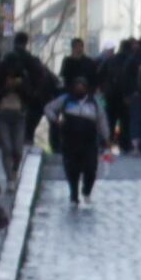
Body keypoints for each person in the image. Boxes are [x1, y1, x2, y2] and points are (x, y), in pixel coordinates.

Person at [49, 74, 108, 206]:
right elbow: (49, 109)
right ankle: (74, 194)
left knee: (91, 168)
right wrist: (56, 120)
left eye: (82, 87)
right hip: (70, 140)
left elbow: (101, 120)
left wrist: (106, 137)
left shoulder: (94, 102)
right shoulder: (65, 100)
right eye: (77, 86)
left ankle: (86, 190)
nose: (80, 89)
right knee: (72, 169)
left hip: (89, 141)